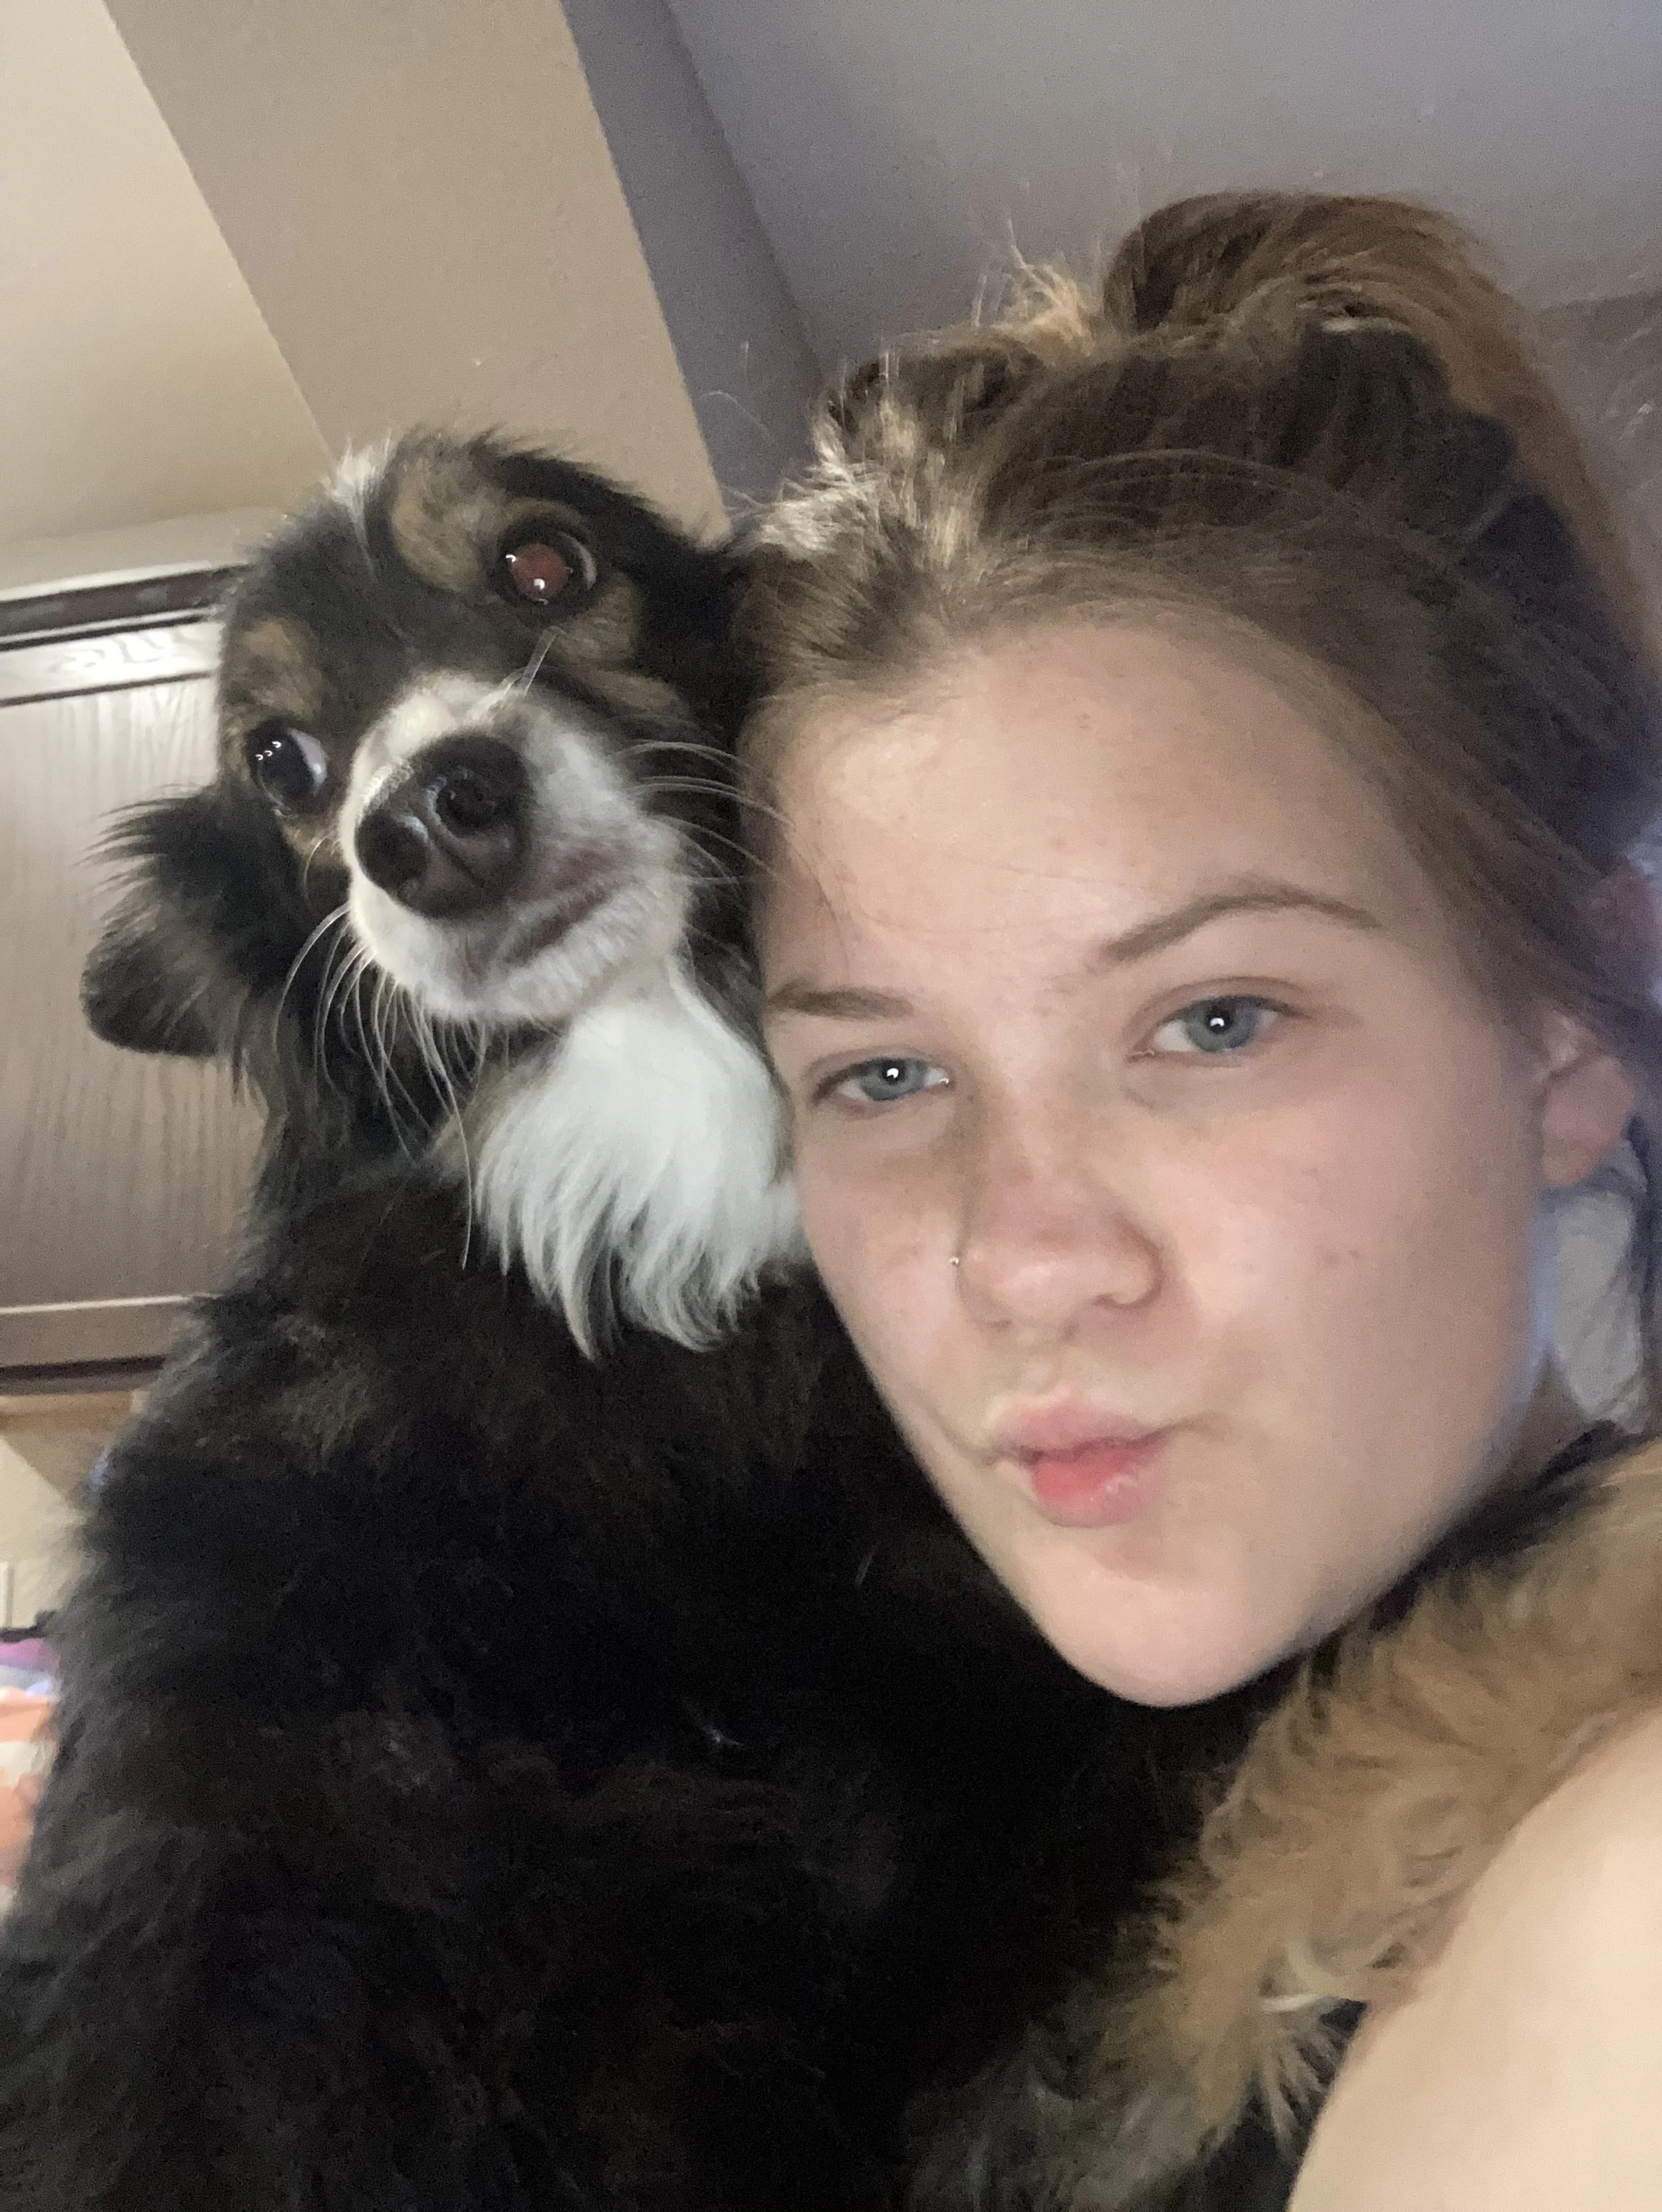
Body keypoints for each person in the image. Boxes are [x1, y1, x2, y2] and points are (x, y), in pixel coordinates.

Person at [737, 193, 1662, 2208]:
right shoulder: (925, 1844)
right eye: (882, 1077)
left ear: (1564, 1039)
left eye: (1214, 1019)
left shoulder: (1624, 1916)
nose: (1021, 1257)